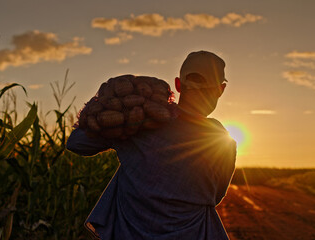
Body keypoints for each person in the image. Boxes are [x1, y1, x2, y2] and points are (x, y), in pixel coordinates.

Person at [66, 51, 237, 240]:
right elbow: (215, 197)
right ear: (220, 89)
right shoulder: (223, 141)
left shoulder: (140, 122)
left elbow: (76, 143)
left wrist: (114, 107)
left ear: (178, 85)